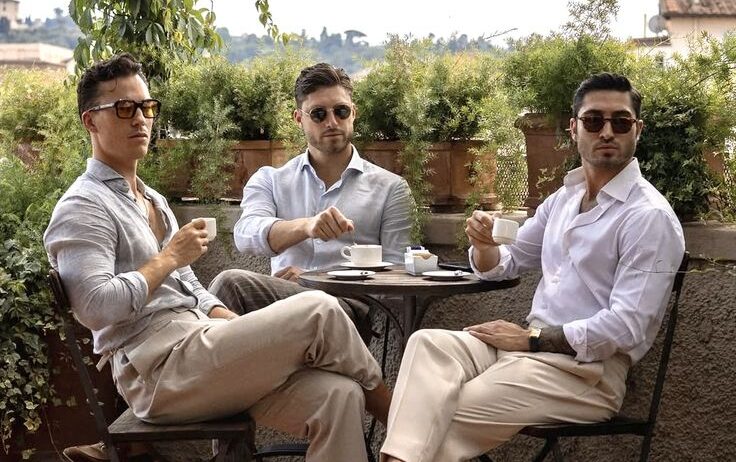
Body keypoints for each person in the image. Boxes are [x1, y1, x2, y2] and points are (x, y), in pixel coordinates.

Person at [44, 53, 391, 462]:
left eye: (146, 107)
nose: (140, 119)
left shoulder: (152, 199)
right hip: (158, 373)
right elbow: (96, 307)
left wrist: (239, 327)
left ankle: (390, 423)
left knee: (339, 395)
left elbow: (190, 285)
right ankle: (402, 428)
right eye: (124, 108)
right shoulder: (82, 206)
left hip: (198, 347)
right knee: (318, 309)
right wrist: (168, 258)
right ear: (91, 121)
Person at [379, 73, 685, 462]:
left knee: (439, 410)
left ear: (637, 130)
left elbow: (627, 327)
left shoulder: (648, 216)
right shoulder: (564, 199)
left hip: (586, 373)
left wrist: (532, 339)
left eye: (620, 122)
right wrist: (484, 246)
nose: (607, 131)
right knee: (428, 344)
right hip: (526, 355)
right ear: (574, 129)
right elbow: (505, 264)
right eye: (594, 120)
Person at [213, 62, 413, 339]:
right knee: (222, 299)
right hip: (280, 305)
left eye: (341, 111)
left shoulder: (391, 188)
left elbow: (399, 276)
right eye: (319, 114)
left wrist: (315, 281)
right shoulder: (271, 179)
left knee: (232, 285)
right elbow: (245, 234)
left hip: (345, 311)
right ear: (299, 118)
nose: (332, 122)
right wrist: (306, 226)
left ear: (354, 113)